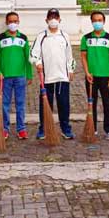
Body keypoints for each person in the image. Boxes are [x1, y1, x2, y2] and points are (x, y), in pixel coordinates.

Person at [30, 8, 76, 140]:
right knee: (45, 104)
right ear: (46, 20)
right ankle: (43, 129)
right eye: (51, 17)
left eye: (56, 17)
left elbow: (70, 55)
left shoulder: (64, 36)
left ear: (60, 19)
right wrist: (37, 62)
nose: (53, 20)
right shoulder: (41, 36)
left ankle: (65, 128)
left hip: (62, 77)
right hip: (46, 77)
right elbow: (33, 53)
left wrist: (71, 70)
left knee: (64, 104)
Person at [0, 11, 33, 139]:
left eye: (15, 21)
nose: (13, 24)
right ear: (6, 23)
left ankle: (21, 129)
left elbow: (28, 58)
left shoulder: (23, 38)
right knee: (5, 104)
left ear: (18, 22)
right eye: (10, 21)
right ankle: (5, 128)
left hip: (20, 76)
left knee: (20, 103)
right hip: (5, 77)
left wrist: (30, 75)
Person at [79, 11, 109, 140]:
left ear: (104, 21)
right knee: (91, 103)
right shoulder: (86, 38)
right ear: (91, 22)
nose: (97, 22)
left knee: (107, 103)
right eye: (95, 20)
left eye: (100, 20)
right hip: (91, 76)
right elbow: (83, 57)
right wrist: (87, 72)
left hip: (106, 76)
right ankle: (92, 127)